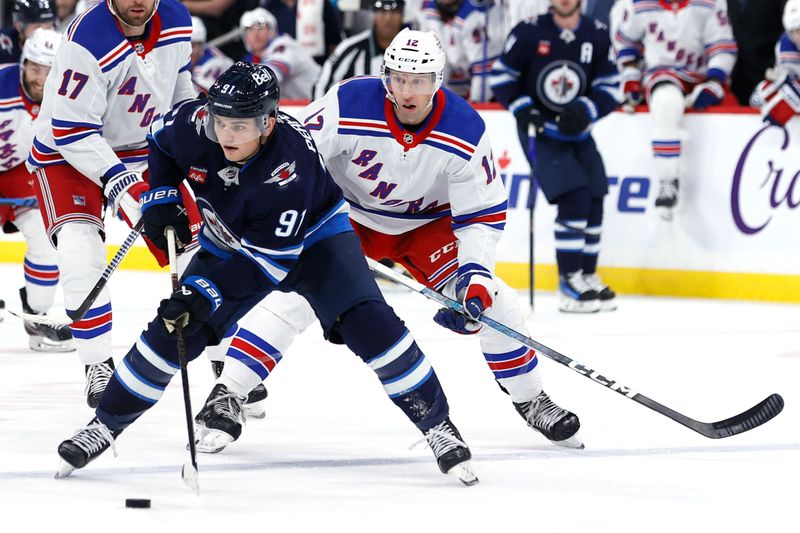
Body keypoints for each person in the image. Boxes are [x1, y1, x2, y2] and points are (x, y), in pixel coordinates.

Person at [55, 61, 479, 486]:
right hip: (232, 236)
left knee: (371, 325)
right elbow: (160, 141)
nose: (227, 135)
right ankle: (104, 425)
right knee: (174, 329)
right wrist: (161, 194)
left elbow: (266, 266)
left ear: (268, 122)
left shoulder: (287, 168)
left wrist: (202, 293)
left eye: (241, 126)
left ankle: (437, 425)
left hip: (316, 242)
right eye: (221, 121)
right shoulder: (196, 123)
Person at [197, 29, 583, 455]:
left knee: (495, 301)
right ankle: (228, 393)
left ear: (438, 80)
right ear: (385, 76)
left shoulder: (466, 130)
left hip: (425, 229)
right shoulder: (349, 103)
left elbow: (481, 215)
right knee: (296, 298)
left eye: (418, 81)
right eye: (397, 78)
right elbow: (292, 153)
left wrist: (474, 276)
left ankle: (531, 399)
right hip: (345, 217)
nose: (406, 90)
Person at [25, 0, 202, 408]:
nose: (136, 2)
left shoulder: (176, 18)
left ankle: (220, 366)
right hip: (67, 152)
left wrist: (191, 144)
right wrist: (127, 189)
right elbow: (72, 130)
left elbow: (179, 90)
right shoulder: (88, 37)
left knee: (197, 248)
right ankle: (97, 364)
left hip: (142, 149)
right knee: (79, 248)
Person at [490, 0, 619, 313]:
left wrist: (588, 108)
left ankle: (587, 275)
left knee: (596, 196)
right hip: (542, 133)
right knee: (574, 196)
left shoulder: (597, 34)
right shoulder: (529, 32)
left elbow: (611, 85)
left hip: (580, 132)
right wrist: (523, 109)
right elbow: (501, 77)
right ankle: (568, 280)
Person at [611, 0, 737, 220]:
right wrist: (631, 76)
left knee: (731, 116)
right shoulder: (640, 4)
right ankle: (667, 179)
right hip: (662, 73)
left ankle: (728, 197)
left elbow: (722, 46)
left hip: (702, 77)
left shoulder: (709, 3)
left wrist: (715, 81)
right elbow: (625, 42)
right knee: (666, 103)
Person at [0, 28, 74, 351]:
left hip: (23, 176)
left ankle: (38, 318)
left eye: (48, 70)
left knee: (47, 241)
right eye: (34, 68)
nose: (40, 79)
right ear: (23, 63)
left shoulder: (69, 98)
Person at [417, 0, 509, 102]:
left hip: (488, 89)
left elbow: (482, 71)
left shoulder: (474, 14)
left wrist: (476, 104)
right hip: (453, 86)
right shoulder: (429, 13)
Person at [312, 0, 405, 100]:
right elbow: (321, 86)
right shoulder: (349, 48)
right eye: (382, 12)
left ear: (402, 15)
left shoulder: (417, 51)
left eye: (394, 12)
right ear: (373, 15)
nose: (388, 18)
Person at [239, 7, 321, 100]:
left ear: (271, 30)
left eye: (260, 28)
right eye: (250, 30)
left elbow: (269, 77)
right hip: (302, 107)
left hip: (320, 104)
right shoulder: (250, 59)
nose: (255, 34)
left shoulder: (284, 47)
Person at [750, 0, 800, 126]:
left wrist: (792, 98)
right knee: (761, 94)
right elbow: (787, 77)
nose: (797, 37)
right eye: (794, 31)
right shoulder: (785, 43)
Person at [258, 0, 344, 64]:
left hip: (315, 66)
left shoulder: (320, 4)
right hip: (280, 66)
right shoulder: (268, 7)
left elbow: (334, 41)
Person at [0, 0, 56, 66]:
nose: (44, 34)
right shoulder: (3, 45)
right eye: (38, 28)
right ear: (18, 25)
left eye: (48, 28)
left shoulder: (59, 45)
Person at [189, 16, 233, 94]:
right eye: (184, 46)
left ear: (201, 44)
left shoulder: (216, 63)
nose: (188, 51)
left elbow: (205, 99)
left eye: (192, 45)